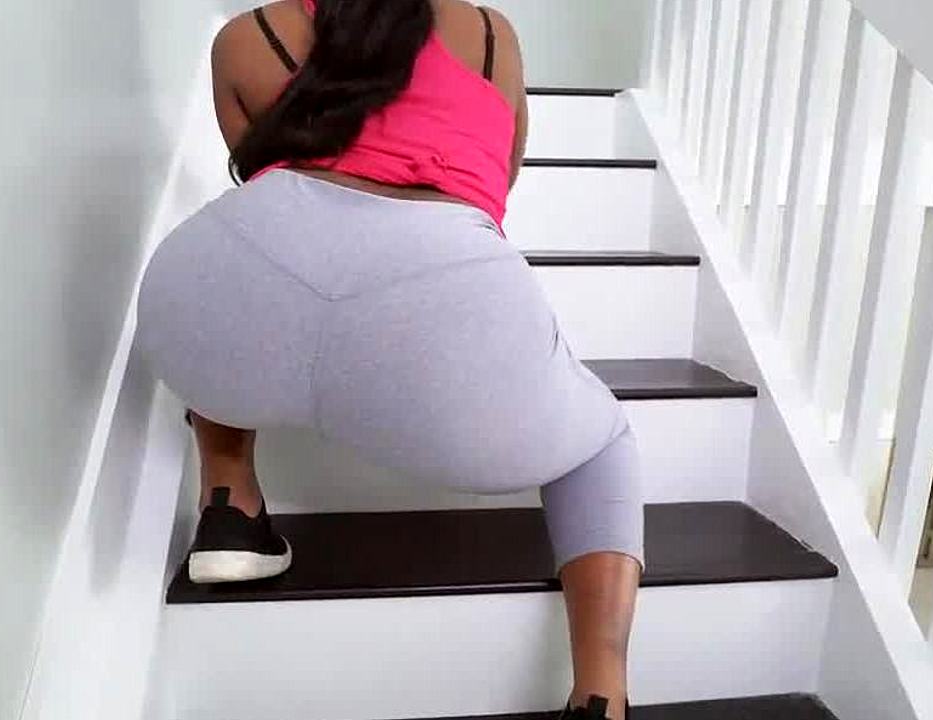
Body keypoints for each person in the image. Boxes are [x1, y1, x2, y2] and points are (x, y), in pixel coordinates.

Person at [135, 1, 641, 718]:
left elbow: (268, 191)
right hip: (435, 292)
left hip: (202, 303)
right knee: (601, 439)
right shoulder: (490, 36)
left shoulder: (245, 39)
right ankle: (601, 694)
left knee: (249, 265)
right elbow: (491, 191)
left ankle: (229, 505)